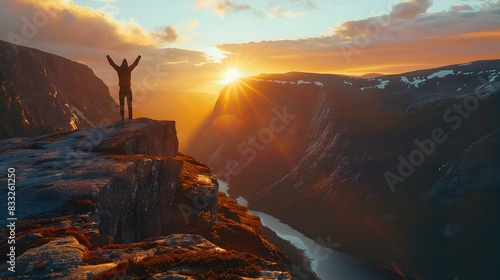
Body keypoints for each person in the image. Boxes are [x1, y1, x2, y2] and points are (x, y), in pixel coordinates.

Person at [106, 55, 141, 120]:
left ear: (122, 64)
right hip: (128, 89)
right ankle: (130, 117)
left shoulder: (119, 69)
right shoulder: (129, 69)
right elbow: (135, 64)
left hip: (121, 89)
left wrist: (108, 57)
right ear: (127, 64)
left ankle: (122, 117)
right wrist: (139, 57)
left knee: (122, 104)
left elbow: (112, 64)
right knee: (129, 104)